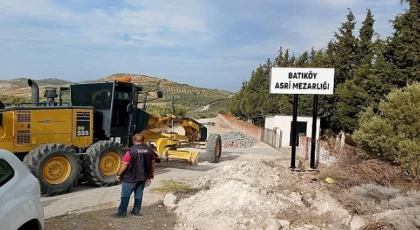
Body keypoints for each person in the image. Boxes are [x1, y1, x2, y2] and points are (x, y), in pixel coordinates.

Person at [113, 134, 156, 217]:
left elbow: (125, 164)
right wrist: (151, 174)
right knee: (139, 194)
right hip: (143, 177)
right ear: (143, 140)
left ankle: (122, 213)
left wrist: (119, 174)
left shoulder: (130, 151)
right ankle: (136, 211)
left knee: (125, 195)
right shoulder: (150, 151)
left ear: (134, 141)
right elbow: (153, 164)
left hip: (130, 178)